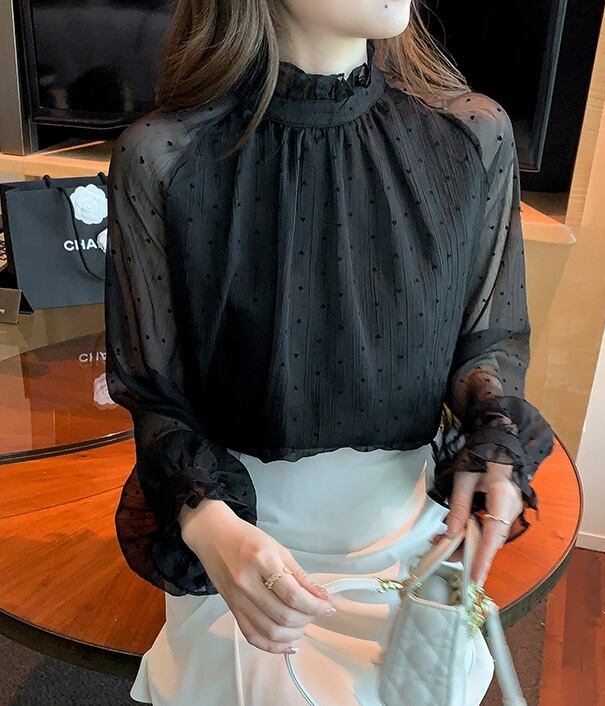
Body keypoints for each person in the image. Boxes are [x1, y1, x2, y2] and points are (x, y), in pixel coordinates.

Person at [104, 1, 555, 704]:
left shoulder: (472, 137)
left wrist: (494, 434)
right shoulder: (162, 157)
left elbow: (484, 340)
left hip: (409, 555)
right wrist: (205, 521)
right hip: (244, 560)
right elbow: (158, 392)